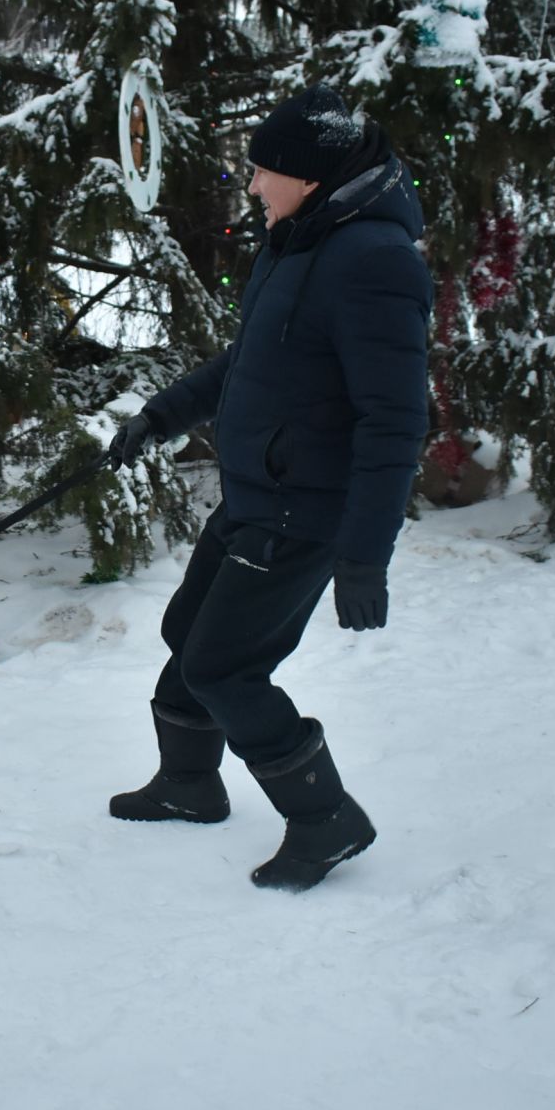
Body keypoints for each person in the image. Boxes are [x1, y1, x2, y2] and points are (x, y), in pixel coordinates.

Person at [105, 84, 432, 893]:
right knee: (190, 631)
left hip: (304, 512)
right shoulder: (299, 238)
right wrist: (161, 415)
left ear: (311, 177)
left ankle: (326, 818)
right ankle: (188, 784)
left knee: (226, 668)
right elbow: (248, 362)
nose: (251, 185)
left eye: (263, 171)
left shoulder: (374, 262)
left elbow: (394, 424)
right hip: (259, 491)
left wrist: (363, 557)